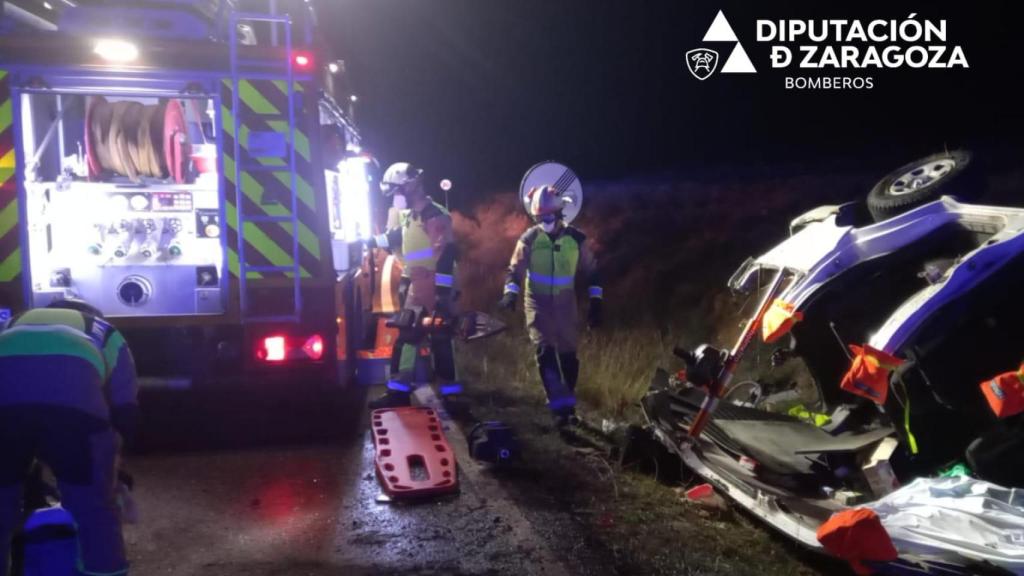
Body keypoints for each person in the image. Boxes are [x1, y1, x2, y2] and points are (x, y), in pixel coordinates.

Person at [0, 298, 138, 576]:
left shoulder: (11, 324)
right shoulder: (105, 331)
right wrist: (114, 464)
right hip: (76, 413)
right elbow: (125, 408)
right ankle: (105, 570)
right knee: (93, 510)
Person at [500, 185, 603, 428]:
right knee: (545, 350)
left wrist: (596, 302)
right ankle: (558, 407)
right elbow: (514, 270)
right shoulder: (530, 239)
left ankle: (567, 402)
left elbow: (593, 273)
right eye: (538, 217)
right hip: (537, 301)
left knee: (568, 354)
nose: (543, 221)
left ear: (558, 214)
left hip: (566, 302)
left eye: (547, 216)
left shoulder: (576, 240)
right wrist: (510, 294)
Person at [368, 162, 460, 408]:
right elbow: (396, 236)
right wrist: (367, 241)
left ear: (410, 187)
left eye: (397, 192)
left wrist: (441, 295)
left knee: (441, 338)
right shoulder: (412, 216)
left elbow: (446, 256)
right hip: (416, 286)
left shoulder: (435, 216)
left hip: (433, 285)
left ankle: (450, 395)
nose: (396, 198)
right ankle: (398, 392)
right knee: (407, 336)